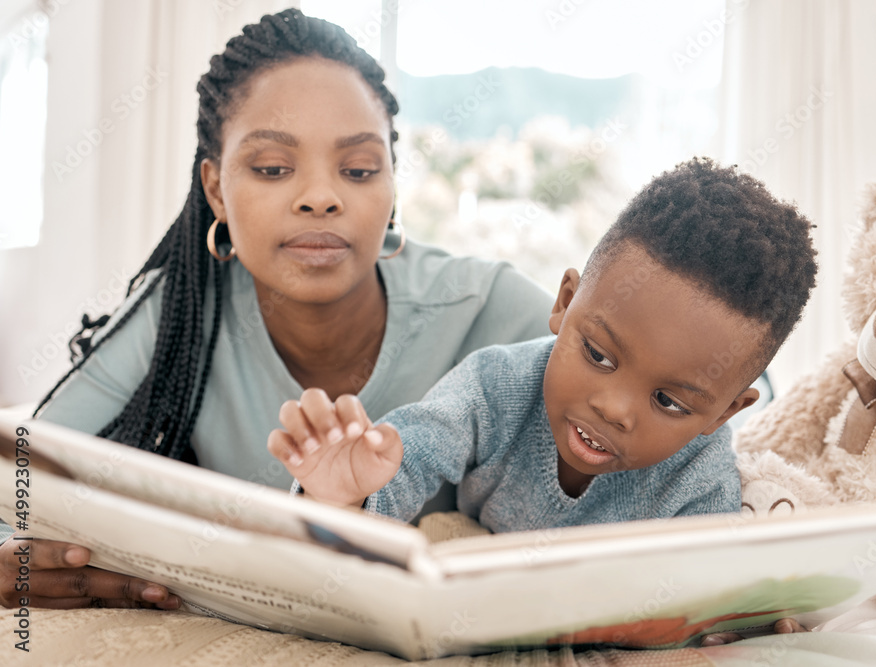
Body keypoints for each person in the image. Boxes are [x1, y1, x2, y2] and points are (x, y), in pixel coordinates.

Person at [0, 9, 554, 611]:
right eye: (272, 169)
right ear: (216, 188)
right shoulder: (180, 314)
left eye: (359, 170)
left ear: (392, 184)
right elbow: (22, 465)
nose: (320, 197)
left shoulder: (493, 308)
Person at [269, 158, 819, 531]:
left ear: (725, 412)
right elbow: (410, 452)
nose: (613, 407)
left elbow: (705, 593)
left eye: (669, 401)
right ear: (564, 303)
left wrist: (735, 617)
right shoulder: (495, 388)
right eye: (599, 356)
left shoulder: (701, 481)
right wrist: (345, 496)